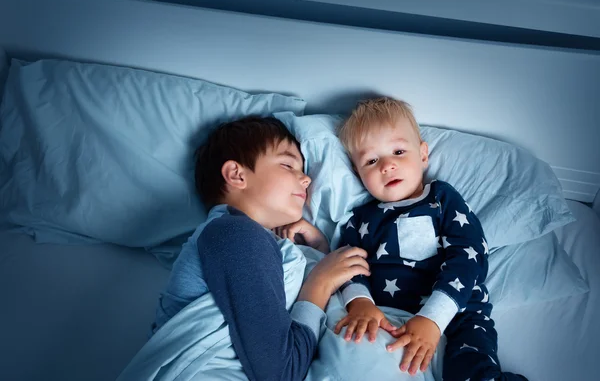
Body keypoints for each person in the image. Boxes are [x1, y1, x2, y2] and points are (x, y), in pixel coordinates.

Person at [150, 116, 370, 381]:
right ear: (237, 174)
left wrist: (317, 252)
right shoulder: (233, 234)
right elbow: (281, 372)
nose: (307, 179)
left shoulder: (245, 238)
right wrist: (319, 283)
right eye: (288, 165)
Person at [327, 97, 526, 380]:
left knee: (475, 373)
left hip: (457, 316)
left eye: (398, 151)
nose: (387, 165)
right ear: (358, 173)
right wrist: (360, 302)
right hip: (389, 317)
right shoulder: (360, 218)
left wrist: (433, 319)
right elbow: (347, 265)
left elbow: (469, 256)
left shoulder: (441, 199)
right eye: (371, 160)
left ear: (423, 155)